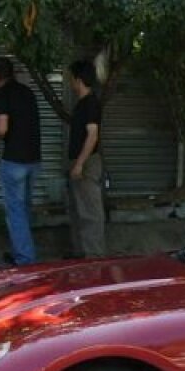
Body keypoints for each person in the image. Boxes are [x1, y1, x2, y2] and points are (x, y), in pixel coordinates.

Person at [0, 56, 42, 266]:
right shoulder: (28, 92)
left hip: (14, 161)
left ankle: (25, 259)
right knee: (25, 209)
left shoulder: (3, 93)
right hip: (33, 159)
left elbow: (2, 128)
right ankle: (23, 251)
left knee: (15, 212)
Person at [65, 59, 106, 258]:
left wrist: (80, 163)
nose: (69, 82)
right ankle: (80, 255)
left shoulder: (90, 103)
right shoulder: (82, 104)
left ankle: (94, 258)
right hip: (79, 162)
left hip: (87, 163)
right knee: (78, 212)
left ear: (78, 79)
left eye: (71, 78)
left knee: (90, 213)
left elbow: (92, 135)